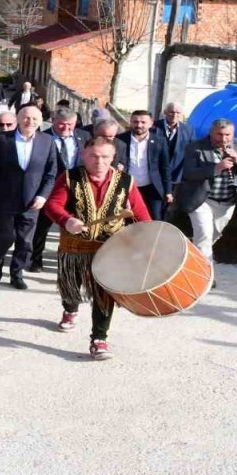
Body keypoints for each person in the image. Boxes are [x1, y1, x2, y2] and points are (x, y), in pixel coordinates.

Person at [43, 138, 152, 360]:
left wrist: (148, 238)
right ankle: (70, 309)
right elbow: (52, 205)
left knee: (104, 294)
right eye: (94, 156)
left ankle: (99, 339)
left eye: (104, 157)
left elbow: (140, 213)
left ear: (113, 158)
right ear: (84, 155)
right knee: (70, 288)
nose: (99, 161)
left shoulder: (126, 181)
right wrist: (67, 220)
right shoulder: (69, 177)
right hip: (74, 246)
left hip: (109, 249)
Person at [0, 105, 57, 289]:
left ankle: (17, 274)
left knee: (25, 241)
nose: (30, 122)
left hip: (32, 201)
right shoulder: (0, 140)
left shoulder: (47, 141)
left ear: (40, 121)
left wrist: (43, 196)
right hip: (3, 199)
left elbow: (51, 173)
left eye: (34, 119)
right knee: (6, 236)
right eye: (26, 118)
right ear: (18, 119)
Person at [175, 118, 237, 264]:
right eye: (219, 134)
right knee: (204, 237)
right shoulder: (196, 147)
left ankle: (189, 256)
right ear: (211, 132)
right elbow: (189, 173)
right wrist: (216, 168)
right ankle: (206, 276)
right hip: (202, 200)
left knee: (211, 237)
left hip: (228, 202)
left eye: (228, 135)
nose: (224, 138)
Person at [30, 107, 92, 272]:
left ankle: (72, 262)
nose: (65, 128)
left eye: (69, 125)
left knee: (75, 226)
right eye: (61, 125)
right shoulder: (42, 137)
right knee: (42, 227)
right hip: (50, 189)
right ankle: (36, 259)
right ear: (53, 122)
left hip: (76, 188)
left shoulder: (84, 136)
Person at [116, 110, 173, 220]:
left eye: (143, 122)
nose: (139, 125)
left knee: (153, 219)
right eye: (135, 122)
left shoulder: (159, 141)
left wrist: (168, 191)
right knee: (127, 219)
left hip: (152, 189)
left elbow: (165, 167)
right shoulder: (120, 139)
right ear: (131, 122)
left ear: (151, 123)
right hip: (127, 187)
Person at [157, 102, 195, 191]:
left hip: (176, 176)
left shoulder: (189, 130)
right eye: (171, 112)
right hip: (155, 175)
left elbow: (192, 152)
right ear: (165, 112)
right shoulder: (153, 127)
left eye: (178, 113)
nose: (175, 115)